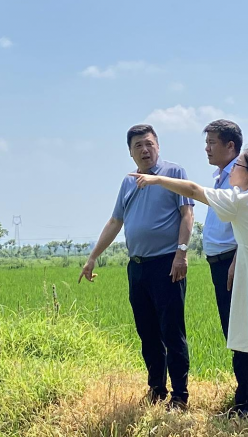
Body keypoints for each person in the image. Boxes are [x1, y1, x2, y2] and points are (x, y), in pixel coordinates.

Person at [133, 148, 248, 425]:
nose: (232, 170)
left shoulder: (243, 199)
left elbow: (195, 190)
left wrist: (157, 181)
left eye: (238, 166)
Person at [80, 124, 194, 407]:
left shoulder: (174, 173)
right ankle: (157, 389)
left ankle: (180, 395)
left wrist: (182, 253)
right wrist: (93, 257)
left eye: (149, 144)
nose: (145, 150)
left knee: (172, 330)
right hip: (138, 267)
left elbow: (187, 213)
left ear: (158, 145)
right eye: (138, 146)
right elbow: (115, 222)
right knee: (147, 332)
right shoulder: (128, 182)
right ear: (130, 153)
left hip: (167, 263)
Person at [200, 119, 248, 417]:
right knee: (235, 333)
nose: (207, 148)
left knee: (247, 335)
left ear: (231, 145)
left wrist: (238, 258)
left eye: (212, 142)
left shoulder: (240, 178)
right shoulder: (221, 176)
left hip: (234, 261)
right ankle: (244, 399)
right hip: (220, 263)